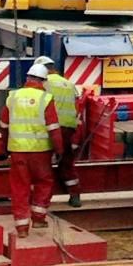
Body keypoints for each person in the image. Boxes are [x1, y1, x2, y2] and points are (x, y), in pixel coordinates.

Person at [0, 63, 64, 237]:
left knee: (20, 187)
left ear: (27, 78)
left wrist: (4, 148)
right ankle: (38, 218)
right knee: (44, 182)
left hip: (17, 151)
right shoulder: (46, 98)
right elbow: (53, 128)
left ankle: (21, 228)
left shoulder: (13, 97)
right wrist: (59, 150)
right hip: (41, 152)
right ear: (43, 81)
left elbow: (4, 125)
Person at [33, 55, 82, 206]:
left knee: (42, 165)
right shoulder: (69, 84)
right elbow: (77, 107)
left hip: (49, 130)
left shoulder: (44, 84)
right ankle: (75, 196)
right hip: (68, 130)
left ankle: (40, 200)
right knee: (67, 163)